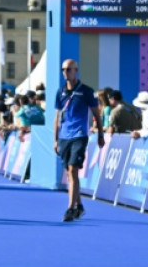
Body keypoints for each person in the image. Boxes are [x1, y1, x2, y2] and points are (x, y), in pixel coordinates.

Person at [54, 59, 104, 222]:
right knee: (69, 173)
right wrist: (55, 139)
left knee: (73, 168)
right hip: (64, 136)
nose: (65, 72)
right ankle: (80, 205)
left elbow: (97, 114)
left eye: (69, 69)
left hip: (80, 135)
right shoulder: (60, 92)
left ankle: (70, 208)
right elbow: (57, 117)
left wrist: (101, 135)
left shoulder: (86, 91)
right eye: (63, 70)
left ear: (76, 70)